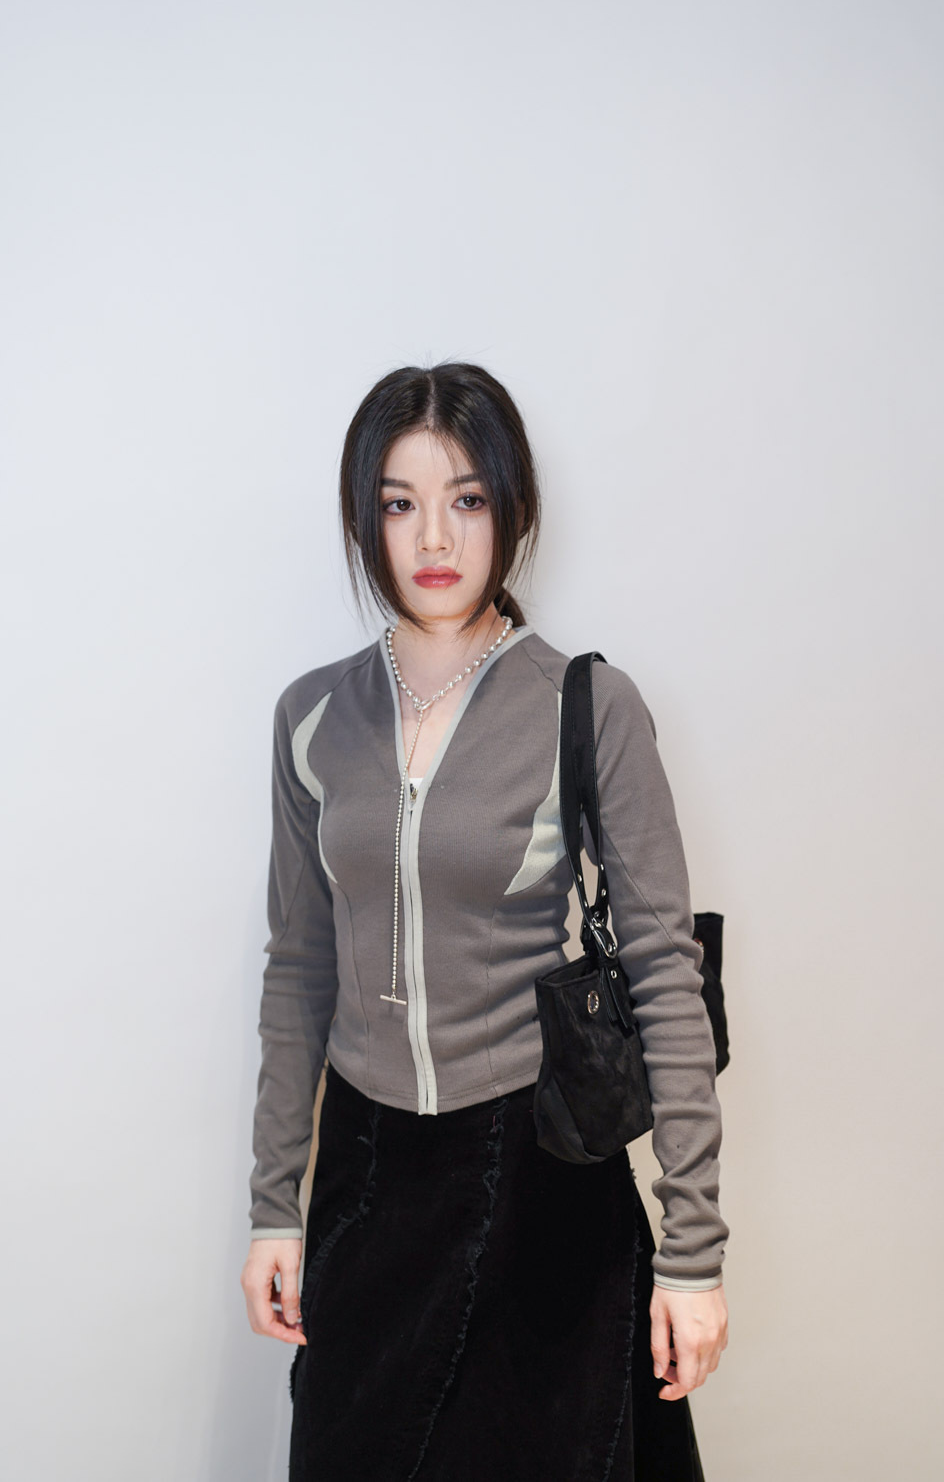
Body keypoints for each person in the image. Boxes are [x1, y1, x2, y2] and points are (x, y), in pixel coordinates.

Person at [240, 362, 729, 1481]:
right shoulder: (312, 716)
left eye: (465, 498)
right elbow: (298, 969)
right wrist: (275, 1207)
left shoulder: (586, 706)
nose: (433, 538)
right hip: (367, 1176)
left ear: (511, 508)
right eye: (398, 503)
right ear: (364, 519)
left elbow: (664, 975)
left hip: (542, 1182)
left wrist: (692, 1252)